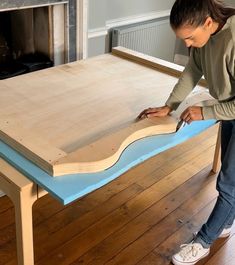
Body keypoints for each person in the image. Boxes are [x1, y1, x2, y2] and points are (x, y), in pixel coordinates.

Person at [138, 0, 235, 264]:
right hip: (230, 108)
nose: (187, 45)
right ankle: (226, 221)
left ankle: (203, 242)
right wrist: (169, 105)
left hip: (231, 107)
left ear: (207, 22)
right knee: (230, 178)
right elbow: (192, 71)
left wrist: (206, 112)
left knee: (228, 184)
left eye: (190, 38)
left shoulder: (234, 39)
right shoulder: (205, 41)